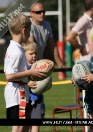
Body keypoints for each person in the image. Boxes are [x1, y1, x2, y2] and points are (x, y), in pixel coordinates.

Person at [4, 13, 46, 132]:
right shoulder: (15, 52)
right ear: (23, 31)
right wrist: (30, 72)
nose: (30, 34)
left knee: (25, 127)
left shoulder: (17, 48)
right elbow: (9, 75)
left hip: (21, 91)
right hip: (16, 93)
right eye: (29, 31)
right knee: (19, 127)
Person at [29, 2, 65, 132]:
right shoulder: (29, 25)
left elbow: (52, 45)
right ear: (31, 13)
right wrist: (35, 68)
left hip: (38, 66)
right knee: (30, 103)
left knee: (37, 102)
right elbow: (31, 46)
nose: (42, 14)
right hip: (29, 67)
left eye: (43, 11)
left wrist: (59, 63)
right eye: (38, 12)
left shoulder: (47, 25)